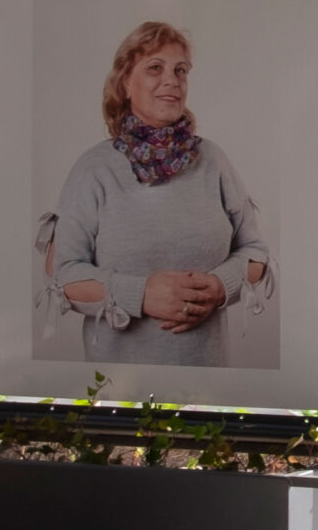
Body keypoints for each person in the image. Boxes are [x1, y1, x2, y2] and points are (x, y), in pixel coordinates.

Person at [50, 21, 273, 367]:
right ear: (126, 83)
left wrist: (219, 286)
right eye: (155, 68)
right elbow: (65, 274)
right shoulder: (93, 169)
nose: (172, 80)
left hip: (209, 381)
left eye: (180, 70)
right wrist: (140, 295)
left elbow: (256, 252)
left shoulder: (213, 161)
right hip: (117, 385)